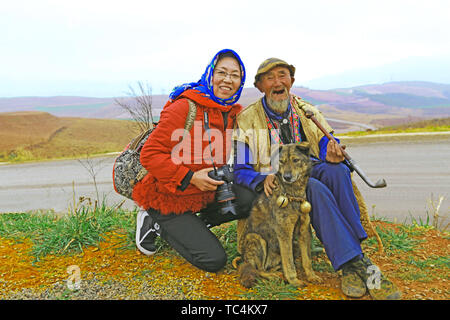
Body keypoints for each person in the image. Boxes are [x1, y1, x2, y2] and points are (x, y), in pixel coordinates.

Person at [233, 57, 401, 300]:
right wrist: (261, 179)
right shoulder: (247, 119)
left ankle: (353, 255)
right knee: (313, 189)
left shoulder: (306, 110)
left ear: (291, 80)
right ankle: (355, 262)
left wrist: (331, 153)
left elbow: (324, 144)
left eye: (282, 75)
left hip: (307, 168)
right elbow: (239, 168)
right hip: (279, 183)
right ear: (260, 86)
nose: (277, 82)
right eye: (269, 78)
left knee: (337, 171)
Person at [131, 49, 254, 273]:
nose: (228, 79)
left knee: (250, 198)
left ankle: (192, 227)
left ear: (241, 81)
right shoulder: (185, 107)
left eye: (235, 75)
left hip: (204, 193)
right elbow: (149, 155)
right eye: (222, 72)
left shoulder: (233, 112)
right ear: (210, 74)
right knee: (213, 260)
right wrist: (190, 177)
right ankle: (154, 221)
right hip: (169, 196)